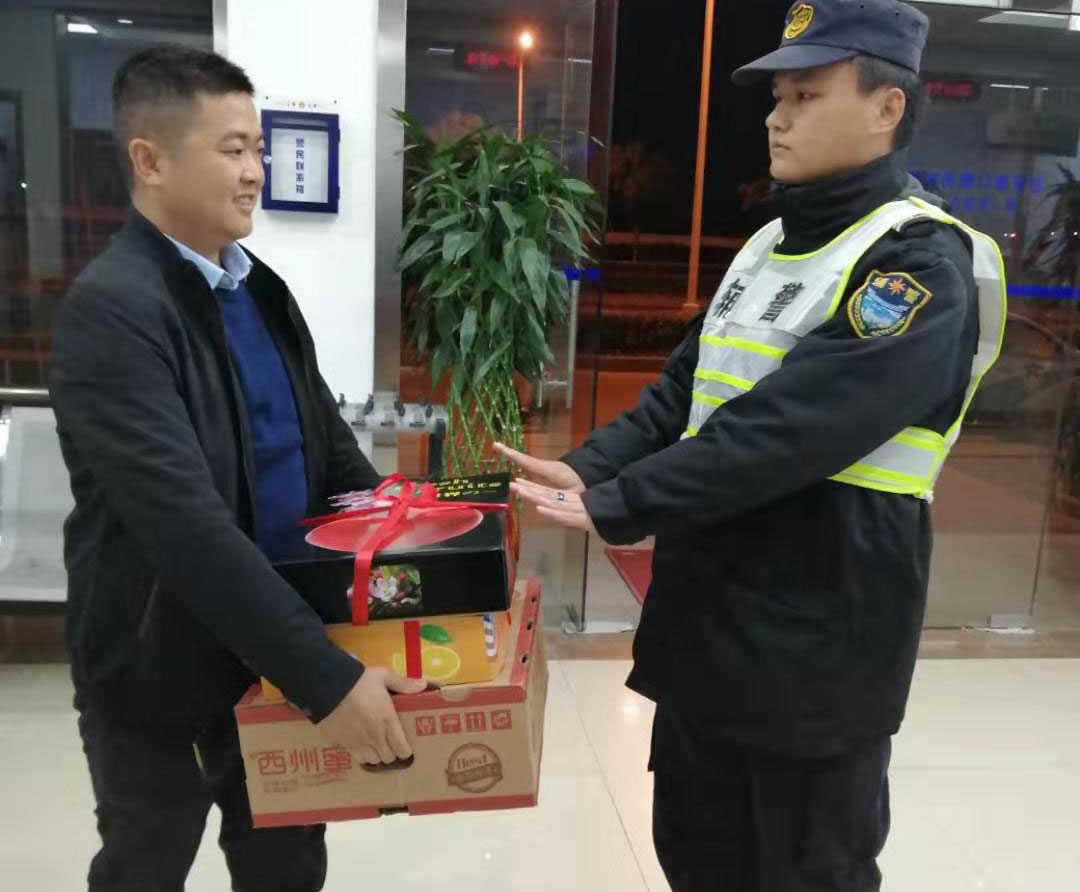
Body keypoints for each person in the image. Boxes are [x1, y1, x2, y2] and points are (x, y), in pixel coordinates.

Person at [500, 2, 1005, 890]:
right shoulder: (769, 246)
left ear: (887, 107)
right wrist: (588, 466)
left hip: (818, 647)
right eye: (777, 97)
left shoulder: (919, 266)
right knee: (695, 856)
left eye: (806, 96)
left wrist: (622, 502)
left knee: (806, 872)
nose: (777, 117)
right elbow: (680, 393)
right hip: (706, 630)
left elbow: (787, 430)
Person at [50, 46, 425, 892]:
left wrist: (410, 536)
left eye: (259, 148)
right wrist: (330, 681)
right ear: (150, 161)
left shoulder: (261, 292)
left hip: (274, 655)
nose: (256, 171)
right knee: (147, 864)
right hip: (159, 671)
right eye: (232, 149)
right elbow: (185, 529)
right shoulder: (114, 312)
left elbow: (328, 450)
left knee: (287, 866)